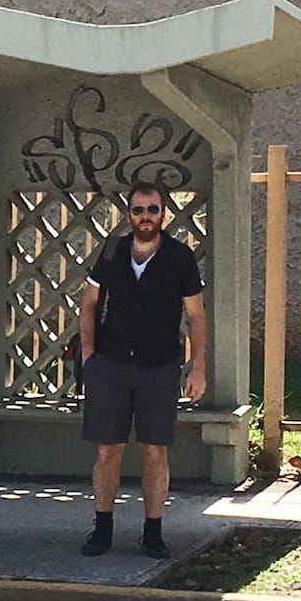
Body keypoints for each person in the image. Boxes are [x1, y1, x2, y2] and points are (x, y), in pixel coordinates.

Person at [78, 181, 207, 558]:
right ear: (128, 214)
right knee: (106, 450)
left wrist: (197, 366)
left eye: (152, 210)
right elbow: (88, 304)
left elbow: (196, 316)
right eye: (138, 210)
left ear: (163, 213)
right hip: (111, 364)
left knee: (154, 451)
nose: (146, 217)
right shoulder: (113, 250)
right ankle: (102, 529)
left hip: (159, 365)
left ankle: (153, 533)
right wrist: (89, 356)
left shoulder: (180, 257)